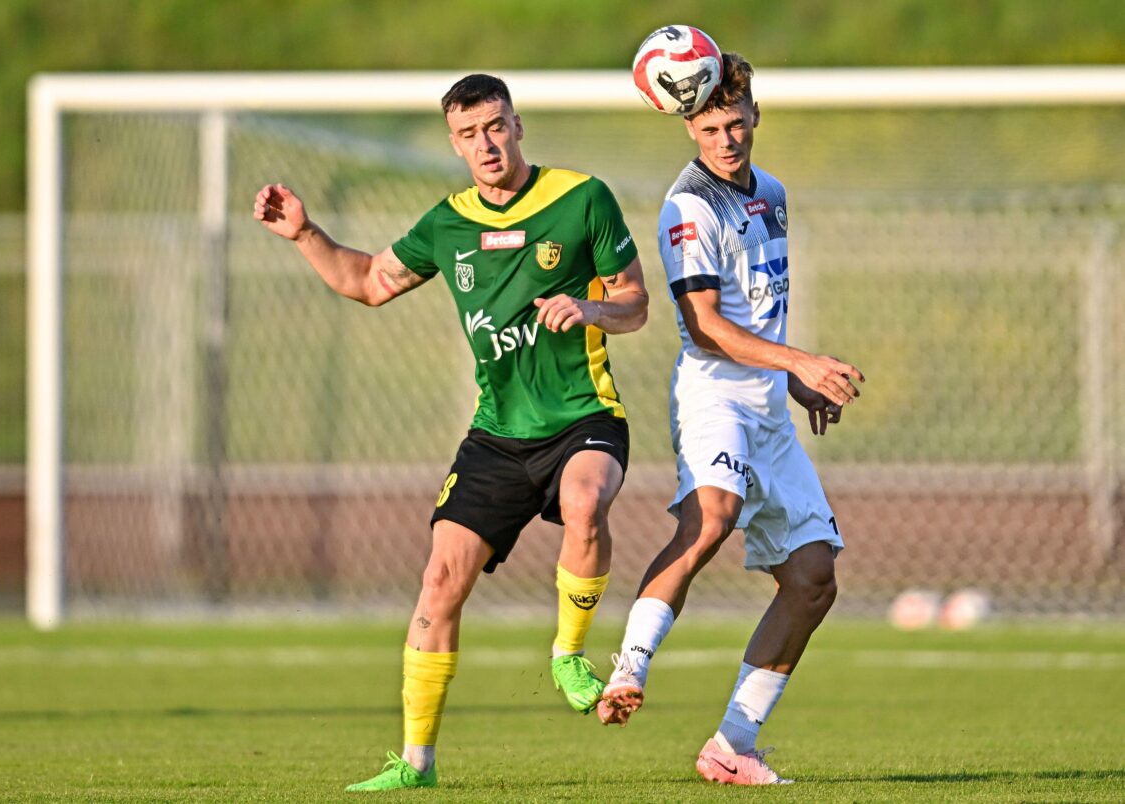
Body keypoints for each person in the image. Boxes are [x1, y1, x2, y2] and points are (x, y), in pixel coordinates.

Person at [253, 74, 648, 792]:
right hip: (497, 437)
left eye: (495, 127)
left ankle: (569, 654)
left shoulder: (582, 198)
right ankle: (416, 764)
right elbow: (370, 281)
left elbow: (635, 303)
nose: (486, 144)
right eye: (469, 134)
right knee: (438, 583)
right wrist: (305, 233)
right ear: (454, 143)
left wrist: (590, 313)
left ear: (518, 125)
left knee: (587, 503)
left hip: (584, 416)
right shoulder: (448, 224)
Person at [596, 53, 864, 786]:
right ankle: (628, 668)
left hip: (770, 407)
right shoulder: (687, 206)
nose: (725, 139)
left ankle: (731, 744)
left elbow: (760, 305)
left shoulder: (771, 193)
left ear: (755, 119)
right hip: (714, 393)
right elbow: (707, 325)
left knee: (813, 579)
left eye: (736, 123)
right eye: (711, 126)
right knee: (712, 515)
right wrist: (802, 362)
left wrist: (795, 383)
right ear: (688, 124)